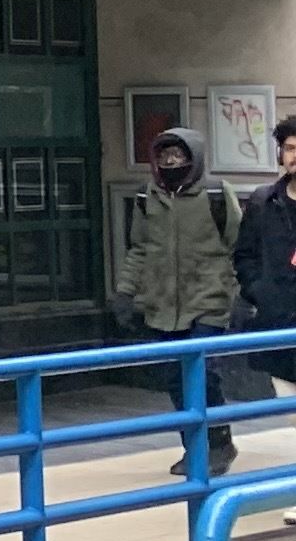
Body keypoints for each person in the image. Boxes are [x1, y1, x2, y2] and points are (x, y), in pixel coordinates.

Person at [119, 125, 250, 469]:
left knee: (203, 374)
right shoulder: (146, 197)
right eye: (165, 156)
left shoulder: (216, 194)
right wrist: (125, 293)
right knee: (174, 378)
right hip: (162, 304)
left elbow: (238, 246)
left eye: (178, 155)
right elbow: (139, 249)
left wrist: (239, 294)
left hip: (209, 300)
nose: (171, 162)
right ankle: (194, 447)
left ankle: (219, 443)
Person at [212, 114, 296, 470]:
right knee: (293, 414)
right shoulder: (264, 202)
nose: (295, 156)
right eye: (290, 148)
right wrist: (260, 292)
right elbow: (244, 255)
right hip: (279, 325)